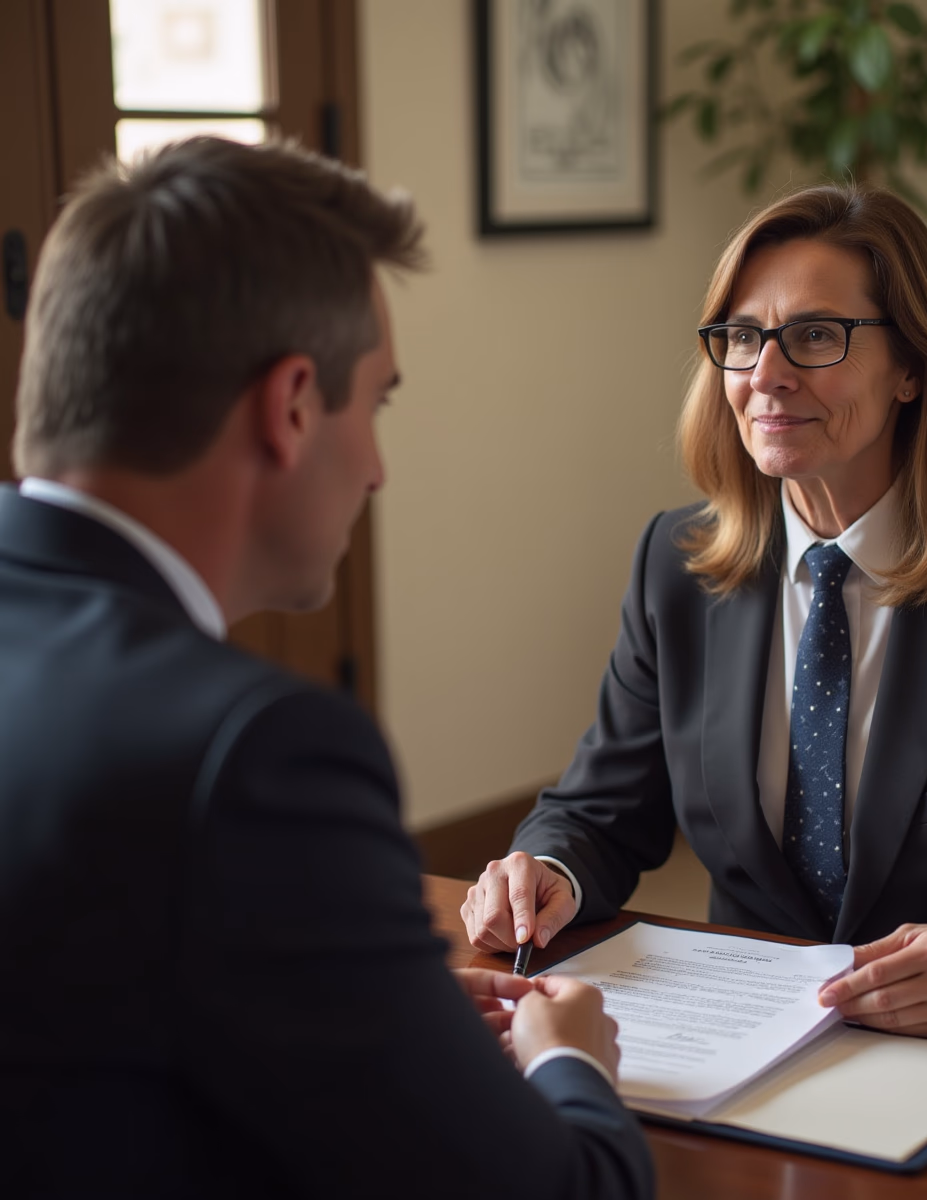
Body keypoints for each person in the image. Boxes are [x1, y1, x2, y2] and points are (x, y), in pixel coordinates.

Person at [0, 137, 652, 1199]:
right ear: (293, 404)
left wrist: (380, 1004)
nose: (380, 468)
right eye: (377, 403)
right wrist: (572, 1057)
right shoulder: (254, 756)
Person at [464, 183, 927, 1040]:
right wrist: (545, 868)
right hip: (735, 1049)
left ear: (913, 369)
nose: (767, 375)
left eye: (817, 335)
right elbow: (600, 812)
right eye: (743, 337)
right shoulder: (677, 566)